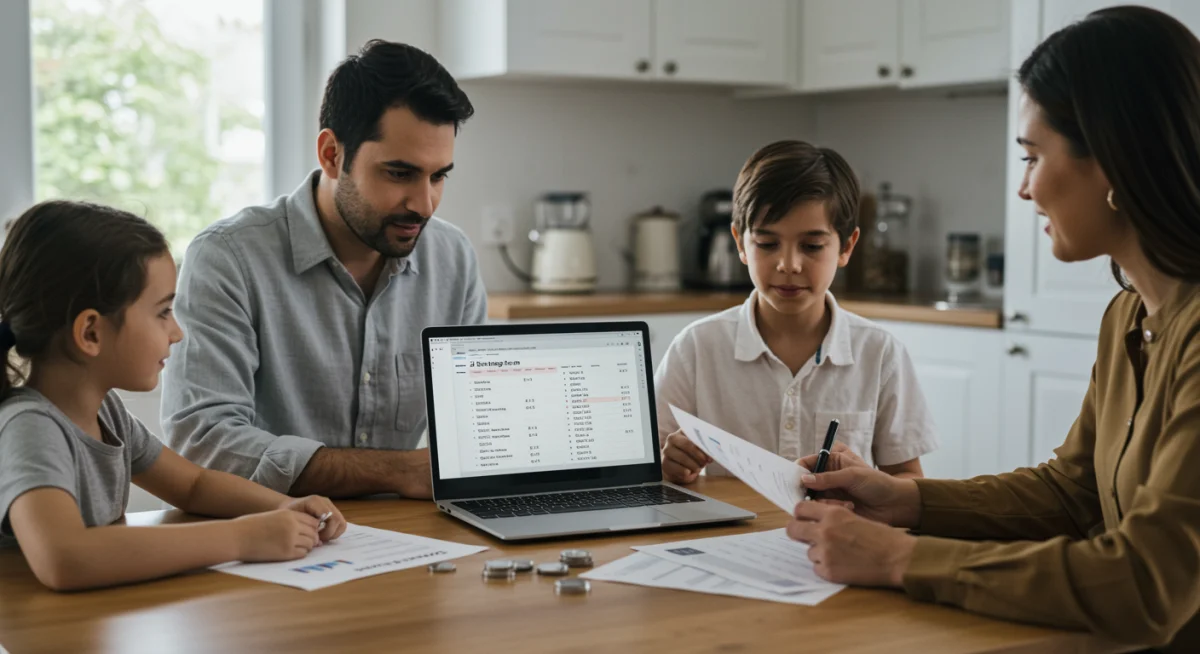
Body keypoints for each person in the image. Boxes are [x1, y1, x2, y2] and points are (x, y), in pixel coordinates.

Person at [786, 6, 1200, 651]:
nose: (1024, 189)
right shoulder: (1130, 315)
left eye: (1033, 157)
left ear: (1115, 161)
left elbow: (1143, 586)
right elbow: (1073, 491)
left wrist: (900, 558)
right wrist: (906, 501)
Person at [161, 40, 484, 499]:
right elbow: (202, 442)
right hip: (268, 537)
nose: (424, 204)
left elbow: (475, 428)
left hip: (406, 534)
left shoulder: (452, 259)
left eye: (438, 176)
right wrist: (394, 472)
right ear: (332, 154)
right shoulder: (228, 258)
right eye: (399, 173)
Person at [0, 201, 346, 592]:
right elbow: (65, 557)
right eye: (163, 312)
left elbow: (193, 484)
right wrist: (242, 538)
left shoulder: (107, 415)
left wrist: (281, 507)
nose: (177, 332)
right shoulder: (29, 428)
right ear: (91, 333)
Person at [655, 140, 936, 485]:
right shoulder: (696, 348)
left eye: (812, 246)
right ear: (741, 244)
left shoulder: (879, 353)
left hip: (835, 536)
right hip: (727, 537)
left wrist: (868, 482)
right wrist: (668, 464)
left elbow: (910, 482)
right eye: (768, 244)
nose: (789, 264)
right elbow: (650, 468)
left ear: (846, 247)